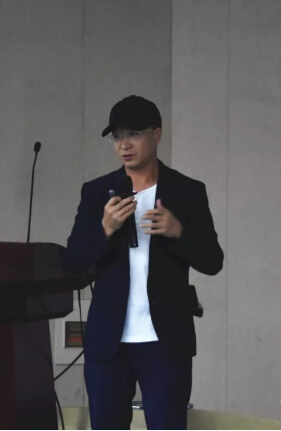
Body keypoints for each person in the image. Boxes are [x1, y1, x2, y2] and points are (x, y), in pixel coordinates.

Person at [63, 95, 224, 430]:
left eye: (134, 134)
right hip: (108, 342)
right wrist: (105, 229)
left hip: (166, 342)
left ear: (157, 134)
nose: (124, 144)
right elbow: (72, 261)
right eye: (117, 136)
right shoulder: (97, 192)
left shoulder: (187, 191)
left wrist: (178, 232)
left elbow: (213, 261)